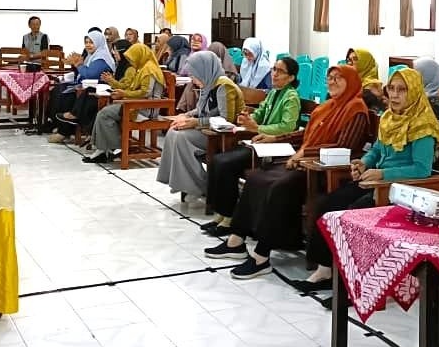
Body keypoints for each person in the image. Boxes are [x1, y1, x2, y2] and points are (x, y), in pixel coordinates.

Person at [205, 65, 371, 279]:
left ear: (352, 82)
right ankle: (236, 240)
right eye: (329, 77)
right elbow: (304, 135)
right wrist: (276, 138)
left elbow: (344, 147)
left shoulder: (356, 110)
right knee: (256, 178)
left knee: (278, 187)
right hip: (303, 161)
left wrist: (304, 154)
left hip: (322, 170)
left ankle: (261, 256)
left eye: (338, 78)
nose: (332, 82)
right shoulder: (327, 106)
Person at [293, 68, 439, 292]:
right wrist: (363, 163)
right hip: (376, 181)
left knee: (353, 213)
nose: (394, 95)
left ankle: (355, 283)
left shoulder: (423, 125)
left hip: (401, 190)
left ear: (414, 92)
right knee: (327, 205)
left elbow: (421, 169)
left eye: (402, 90)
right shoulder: (389, 117)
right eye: (391, 89)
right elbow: (377, 151)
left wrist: (382, 174)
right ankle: (325, 270)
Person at [201, 58, 303, 236]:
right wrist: (248, 119)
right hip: (260, 142)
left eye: (280, 71)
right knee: (218, 160)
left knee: (227, 164)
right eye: (273, 69)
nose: (274, 74)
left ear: (291, 77)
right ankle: (221, 213)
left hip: (276, 146)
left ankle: (229, 218)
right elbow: (260, 113)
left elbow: (287, 127)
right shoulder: (273, 93)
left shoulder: (291, 97)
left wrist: (257, 128)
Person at [156, 51, 244, 198]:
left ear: (204, 69)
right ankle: (183, 182)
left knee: (182, 138)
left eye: (194, 74)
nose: (192, 79)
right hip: (208, 130)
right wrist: (186, 115)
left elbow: (226, 119)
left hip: (223, 136)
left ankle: (202, 185)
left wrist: (196, 122)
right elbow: (200, 109)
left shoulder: (224, 87)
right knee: (173, 131)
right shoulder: (209, 82)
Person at [84, 43, 166, 164]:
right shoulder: (143, 68)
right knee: (104, 112)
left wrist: (124, 93)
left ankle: (116, 147)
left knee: (104, 114)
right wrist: (119, 90)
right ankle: (103, 149)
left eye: (132, 58)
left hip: (146, 108)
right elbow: (132, 87)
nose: (131, 61)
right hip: (135, 104)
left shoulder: (149, 70)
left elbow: (145, 92)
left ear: (140, 55)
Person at [47, 30, 116, 142]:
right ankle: (59, 126)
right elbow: (82, 73)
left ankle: (64, 132)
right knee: (59, 90)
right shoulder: (91, 56)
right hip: (86, 87)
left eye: (91, 42)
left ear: (98, 43)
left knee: (68, 97)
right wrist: (76, 64)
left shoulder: (101, 58)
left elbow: (89, 74)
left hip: (97, 91)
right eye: (86, 42)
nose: (88, 45)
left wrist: (78, 64)